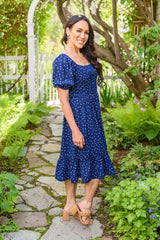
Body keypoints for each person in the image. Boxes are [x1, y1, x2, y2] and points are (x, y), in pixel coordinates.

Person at [52, 14, 115, 226]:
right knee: (72, 159)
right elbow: (64, 100)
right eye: (78, 30)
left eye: (86, 32)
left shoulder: (86, 56)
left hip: (93, 116)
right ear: (68, 30)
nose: (83, 35)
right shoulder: (62, 61)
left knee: (97, 156)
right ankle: (71, 204)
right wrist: (75, 130)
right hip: (76, 118)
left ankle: (85, 204)